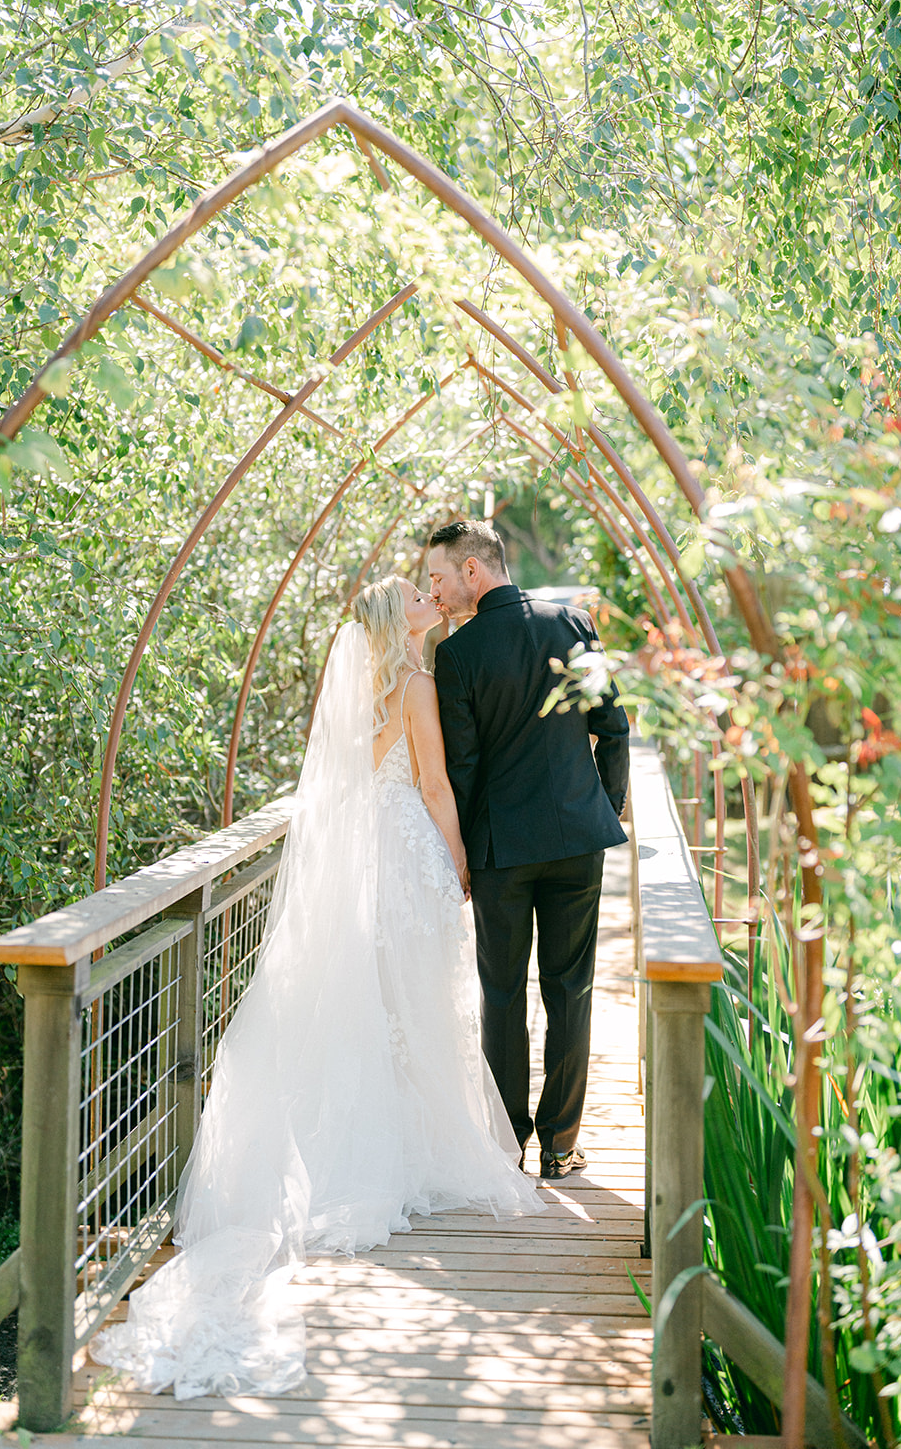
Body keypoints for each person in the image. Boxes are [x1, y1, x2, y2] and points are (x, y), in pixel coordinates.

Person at [90, 576, 542, 1400]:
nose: (426, 597)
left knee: (370, 1004)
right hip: (403, 852)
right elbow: (435, 784)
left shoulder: (363, 689)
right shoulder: (414, 683)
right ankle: (410, 1148)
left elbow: (342, 788)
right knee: (411, 1002)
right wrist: (458, 862)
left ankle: (367, 1143)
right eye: (413, 594)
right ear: (393, 622)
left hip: (359, 856)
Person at [427, 521, 631, 1181]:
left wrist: (456, 853)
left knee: (503, 993)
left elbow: (460, 768)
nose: (437, 589)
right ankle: (560, 1145)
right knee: (570, 988)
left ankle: (506, 1139)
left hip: (499, 851)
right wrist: (605, 805)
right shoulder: (571, 626)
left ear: (474, 572)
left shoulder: (457, 656)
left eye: (440, 575)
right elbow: (613, 727)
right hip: (577, 839)